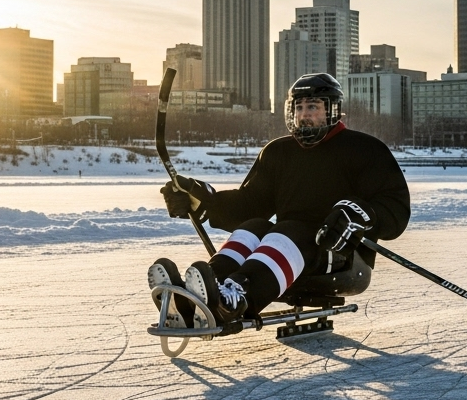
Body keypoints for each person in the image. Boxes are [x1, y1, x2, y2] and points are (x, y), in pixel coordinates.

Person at [150, 73, 410, 334]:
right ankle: (200, 295)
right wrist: (204, 201)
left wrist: (362, 214)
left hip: (342, 258)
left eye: (312, 107)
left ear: (333, 110)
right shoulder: (278, 152)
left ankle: (236, 298)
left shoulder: (364, 148)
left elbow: (395, 208)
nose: (303, 115)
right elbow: (250, 205)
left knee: (290, 230)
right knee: (256, 226)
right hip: (290, 251)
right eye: (298, 107)